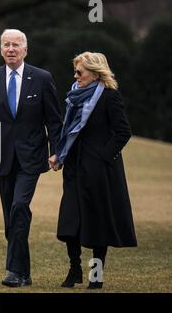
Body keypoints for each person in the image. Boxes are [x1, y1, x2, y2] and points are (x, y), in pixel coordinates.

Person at [0, 29, 62, 287]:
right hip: (1, 155)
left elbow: (54, 119)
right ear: (1, 50)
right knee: (11, 217)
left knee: (20, 206)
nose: (11, 49)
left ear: (25, 50)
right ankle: (25, 272)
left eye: (16, 45)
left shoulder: (42, 79)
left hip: (32, 156)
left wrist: (57, 150)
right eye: (7, 45)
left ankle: (13, 271)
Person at [53, 51, 137, 289]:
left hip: (100, 172)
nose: (76, 75)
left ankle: (96, 275)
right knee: (70, 223)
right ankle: (74, 270)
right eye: (75, 71)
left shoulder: (110, 96)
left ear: (94, 72)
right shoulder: (73, 96)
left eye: (80, 71)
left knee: (98, 224)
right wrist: (60, 154)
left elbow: (123, 132)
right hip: (74, 168)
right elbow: (68, 131)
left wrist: (102, 157)